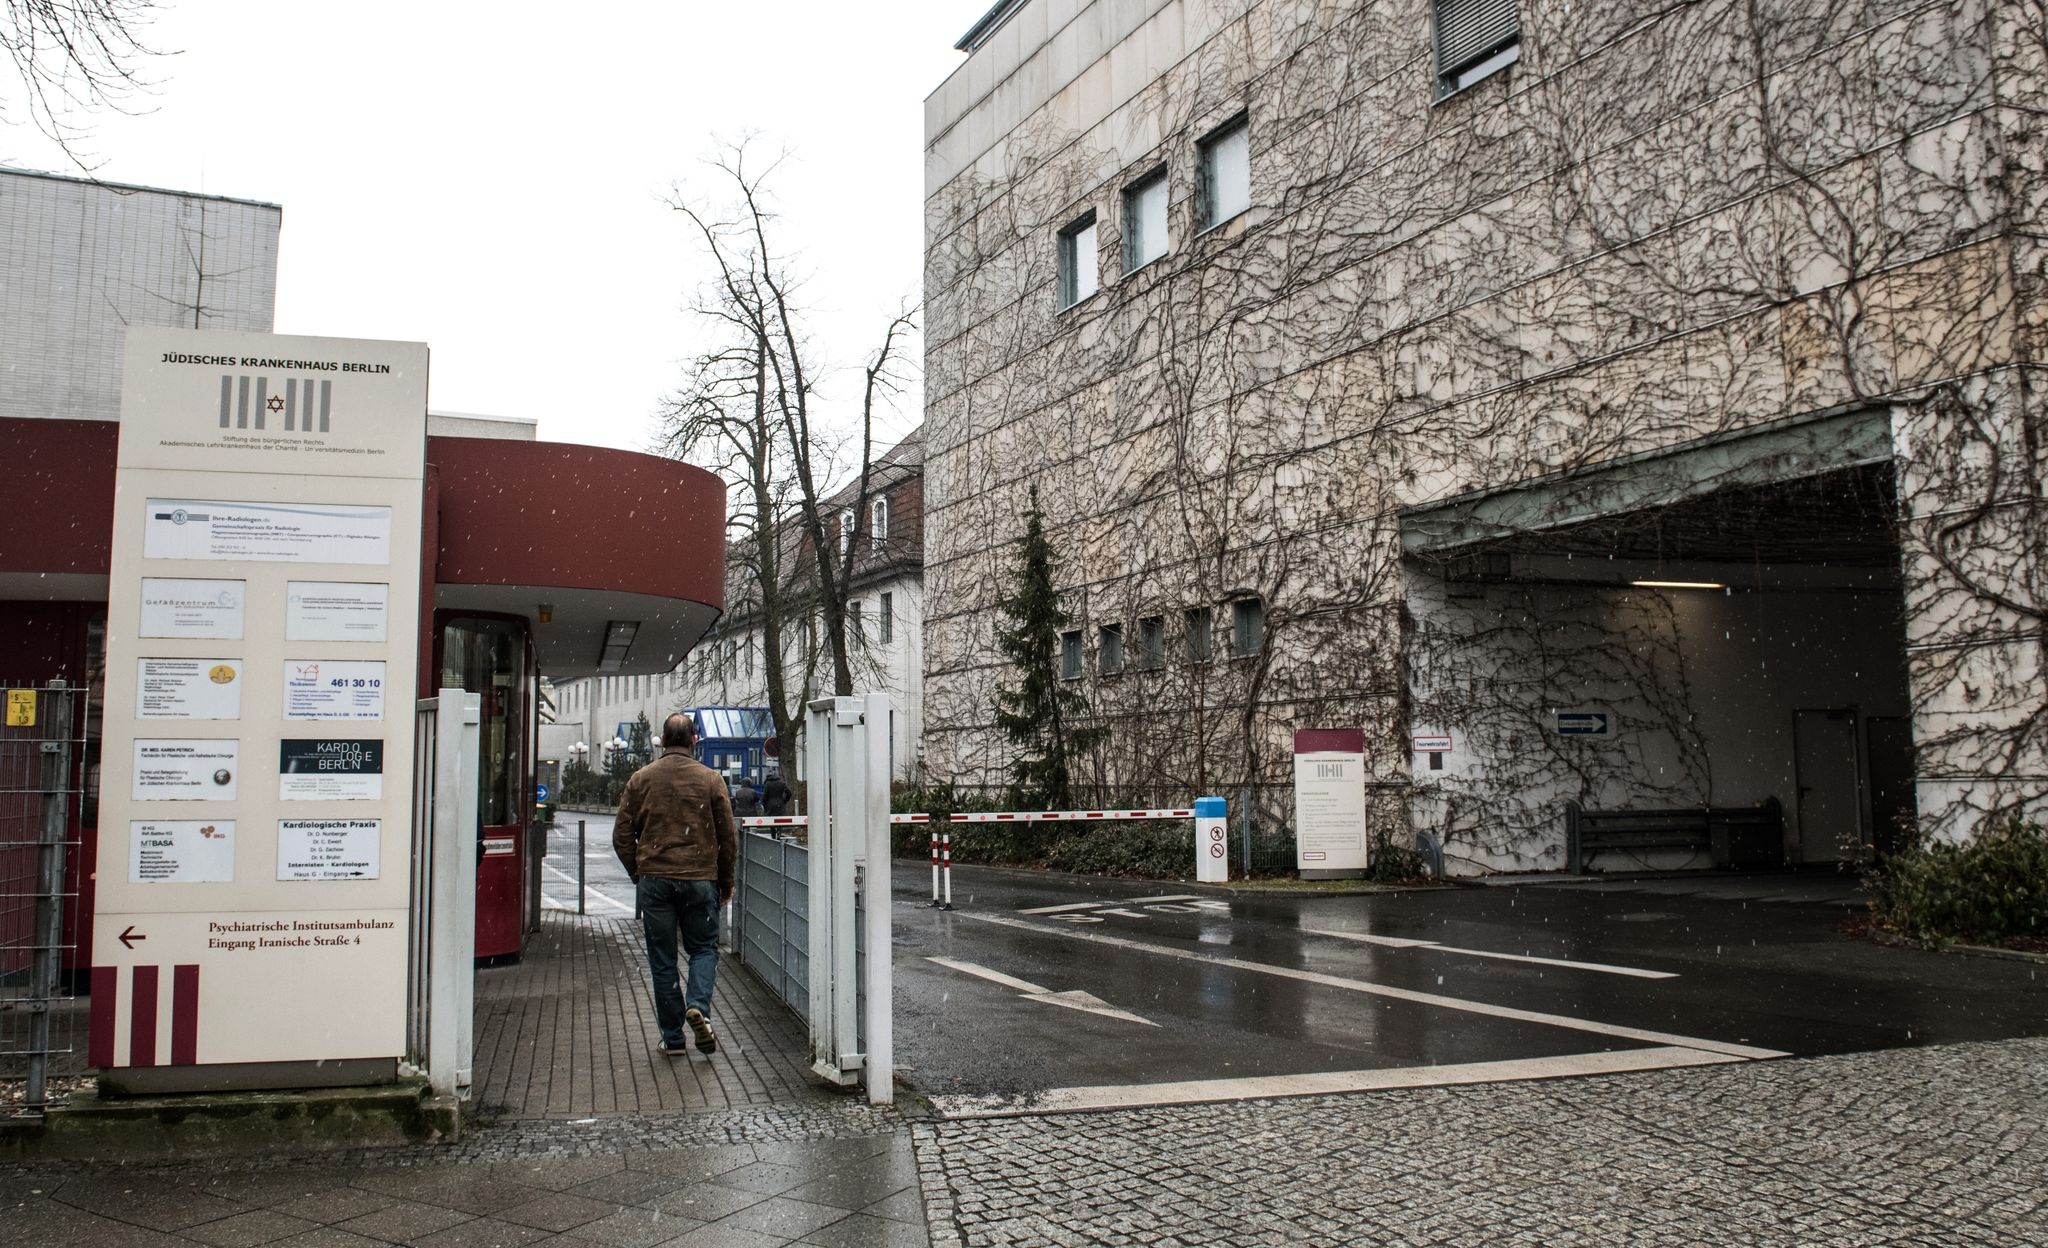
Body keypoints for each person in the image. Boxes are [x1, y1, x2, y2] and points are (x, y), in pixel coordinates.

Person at [613, 712, 737, 1056]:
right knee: (703, 949)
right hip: (700, 879)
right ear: (694, 740)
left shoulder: (641, 780)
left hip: (655, 881)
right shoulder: (711, 780)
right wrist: (725, 883)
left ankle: (673, 1038)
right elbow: (728, 838)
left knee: (663, 959)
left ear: (664, 741)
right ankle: (698, 1006)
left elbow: (621, 834)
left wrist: (640, 872)